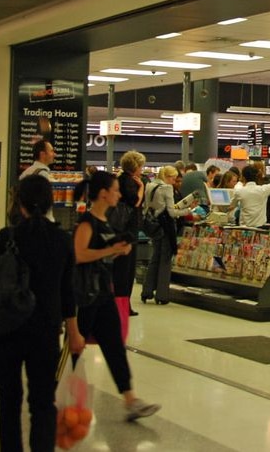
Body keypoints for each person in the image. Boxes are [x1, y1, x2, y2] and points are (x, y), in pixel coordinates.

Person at [0, 174, 85, 452]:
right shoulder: (62, 240)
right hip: (45, 331)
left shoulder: (7, 237)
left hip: (7, 329)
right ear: (50, 203)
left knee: (8, 401)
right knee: (43, 403)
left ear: (19, 203)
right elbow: (67, 293)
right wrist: (74, 332)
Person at [73, 170, 161, 421]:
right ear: (103, 194)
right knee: (75, 348)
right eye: (115, 190)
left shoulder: (105, 222)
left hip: (103, 293)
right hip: (87, 296)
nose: (119, 194)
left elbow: (100, 253)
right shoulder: (87, 223)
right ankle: (57, 389)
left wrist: (117, 251)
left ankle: (130, 398)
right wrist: (110, 249)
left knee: (114, 347)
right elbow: (79, 255)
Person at [141, 165, 199, 304]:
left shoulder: (150, 185)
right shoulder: (166, 188)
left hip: (154, 226)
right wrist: (189, 211)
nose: (174, 182)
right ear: (167, 177)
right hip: (166, 227)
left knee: (155, 258)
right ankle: (162, 295)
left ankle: (147, 291)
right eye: (173, 179)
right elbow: (172, 212)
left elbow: (159, 206)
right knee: (166, 260)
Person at [110, 151, 146, 325]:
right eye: (141, 166)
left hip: (119, 229)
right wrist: (141, 189)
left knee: (119, 270)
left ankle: (119, 304)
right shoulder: (131, 182)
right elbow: (135, 202)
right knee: (126, 271)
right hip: (128, 230)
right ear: (136, 166)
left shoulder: (118, 179)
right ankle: (123, 306)